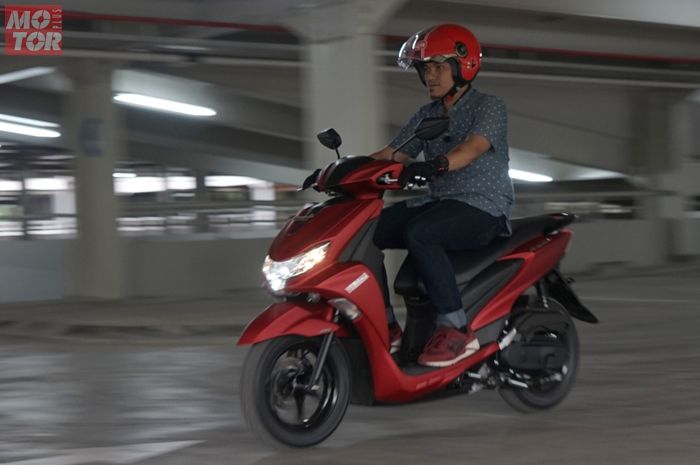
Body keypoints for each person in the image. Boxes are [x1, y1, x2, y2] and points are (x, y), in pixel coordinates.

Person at [369, 23, 513, 367]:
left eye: (437, 67)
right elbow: (392, 154)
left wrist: (435, 165)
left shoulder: (488, 106)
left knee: (422, 233)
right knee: (366, 229)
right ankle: (384, 326)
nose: (430, 76)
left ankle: (456, 330)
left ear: (463, 65)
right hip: (440, 203)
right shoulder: (428, 115)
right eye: (425, 69)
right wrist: (341, 171)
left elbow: (472, 148)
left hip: (482, 206)